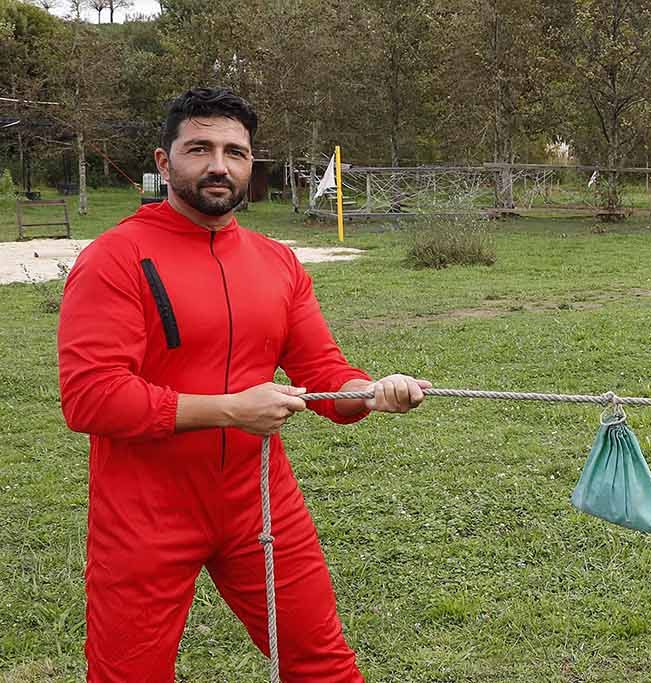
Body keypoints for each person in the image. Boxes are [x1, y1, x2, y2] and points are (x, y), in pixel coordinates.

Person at [58, 87, 429, 681]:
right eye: (199, 148)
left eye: (235, 151)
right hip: (144, 509)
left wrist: (367, 390)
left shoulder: (277, 262)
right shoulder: (116, 257)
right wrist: (231, 409)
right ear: (164, 162)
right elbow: (90, 397)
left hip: (260, 503)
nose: (217, 165)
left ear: (250, 165)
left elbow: (324, 374)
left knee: (322, 665)